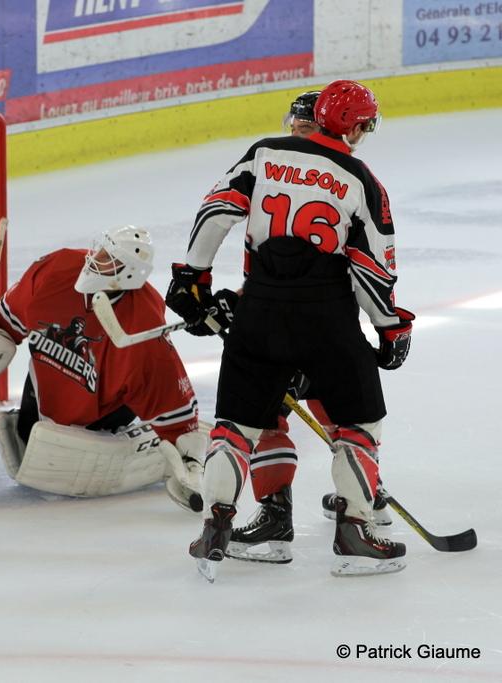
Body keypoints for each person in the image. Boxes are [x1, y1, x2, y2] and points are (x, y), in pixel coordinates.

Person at [166, 80, 414, 580]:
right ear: (355, 128)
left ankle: (216, 527)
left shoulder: (265, 153)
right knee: (359, 422)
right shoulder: (362, 180)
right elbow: (372, 270)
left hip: (259, 309)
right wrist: (391, 329)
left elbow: (215, 211)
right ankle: (354, 528)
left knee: (236, 425)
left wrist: (192, 277)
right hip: (327, 318)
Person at [224, 90, 393, 564]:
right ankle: (276, 512)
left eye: (307, 128)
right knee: (268, 415)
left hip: (320, 321)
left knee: (340, 409)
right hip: (281, 313)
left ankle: (361, 495)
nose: (299, 136)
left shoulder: (340, 177)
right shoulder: (279, 166)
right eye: (296, 128)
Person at [0, 226, 207, 507]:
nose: (96, 260)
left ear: (130, 274)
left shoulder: (143, 329)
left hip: (104, 408)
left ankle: (130, 435)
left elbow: (169, 393)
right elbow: (7, 320)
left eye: (110, 260)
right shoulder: (56, 270)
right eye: (102, 251)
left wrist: (187, 453)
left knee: (69, 450)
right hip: (47, 389)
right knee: (25, 437)